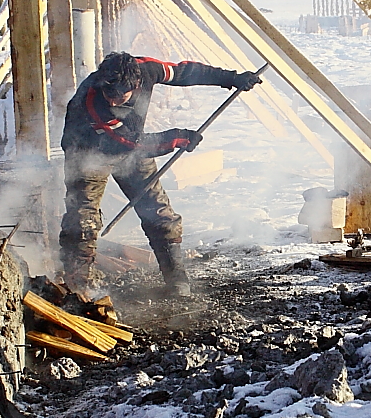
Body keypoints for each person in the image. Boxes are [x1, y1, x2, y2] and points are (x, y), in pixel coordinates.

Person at [59, 52, 262, 296]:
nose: (112, 101)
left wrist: (231, 79)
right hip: (87, 155)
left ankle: (177, 282)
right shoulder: (93, 101)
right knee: (83, 223)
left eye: (119, 96)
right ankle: (78, 289)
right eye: (108, 94)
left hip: (133, 147)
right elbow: (131, 142)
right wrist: (176, 138)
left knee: (159, 213)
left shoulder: (147, 69)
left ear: (136, 84)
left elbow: (185, 73)